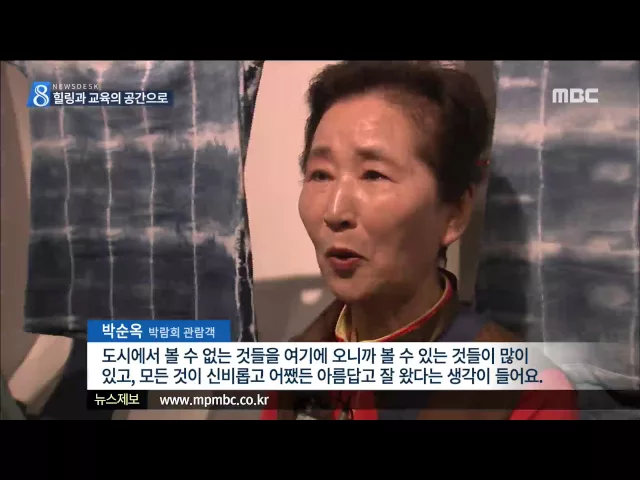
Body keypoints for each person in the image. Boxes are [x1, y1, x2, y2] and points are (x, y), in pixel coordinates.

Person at [261, 61, 577, 420]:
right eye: (320, 175)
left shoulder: (525, 392)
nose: (334, 211)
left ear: (455, 213)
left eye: (373, 175)